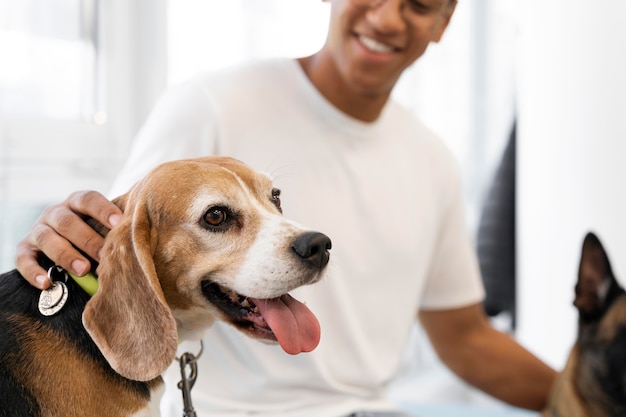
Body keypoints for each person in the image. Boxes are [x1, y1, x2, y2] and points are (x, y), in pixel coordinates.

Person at [15, 0, 556, 416]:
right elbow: (113, 244)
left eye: (418, 3)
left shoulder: (434, 157)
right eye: (219, 217)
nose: (389, 18)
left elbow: (466, 338)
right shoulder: (208, 104)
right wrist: (56, 240)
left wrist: (596, 394)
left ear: (445, 20)